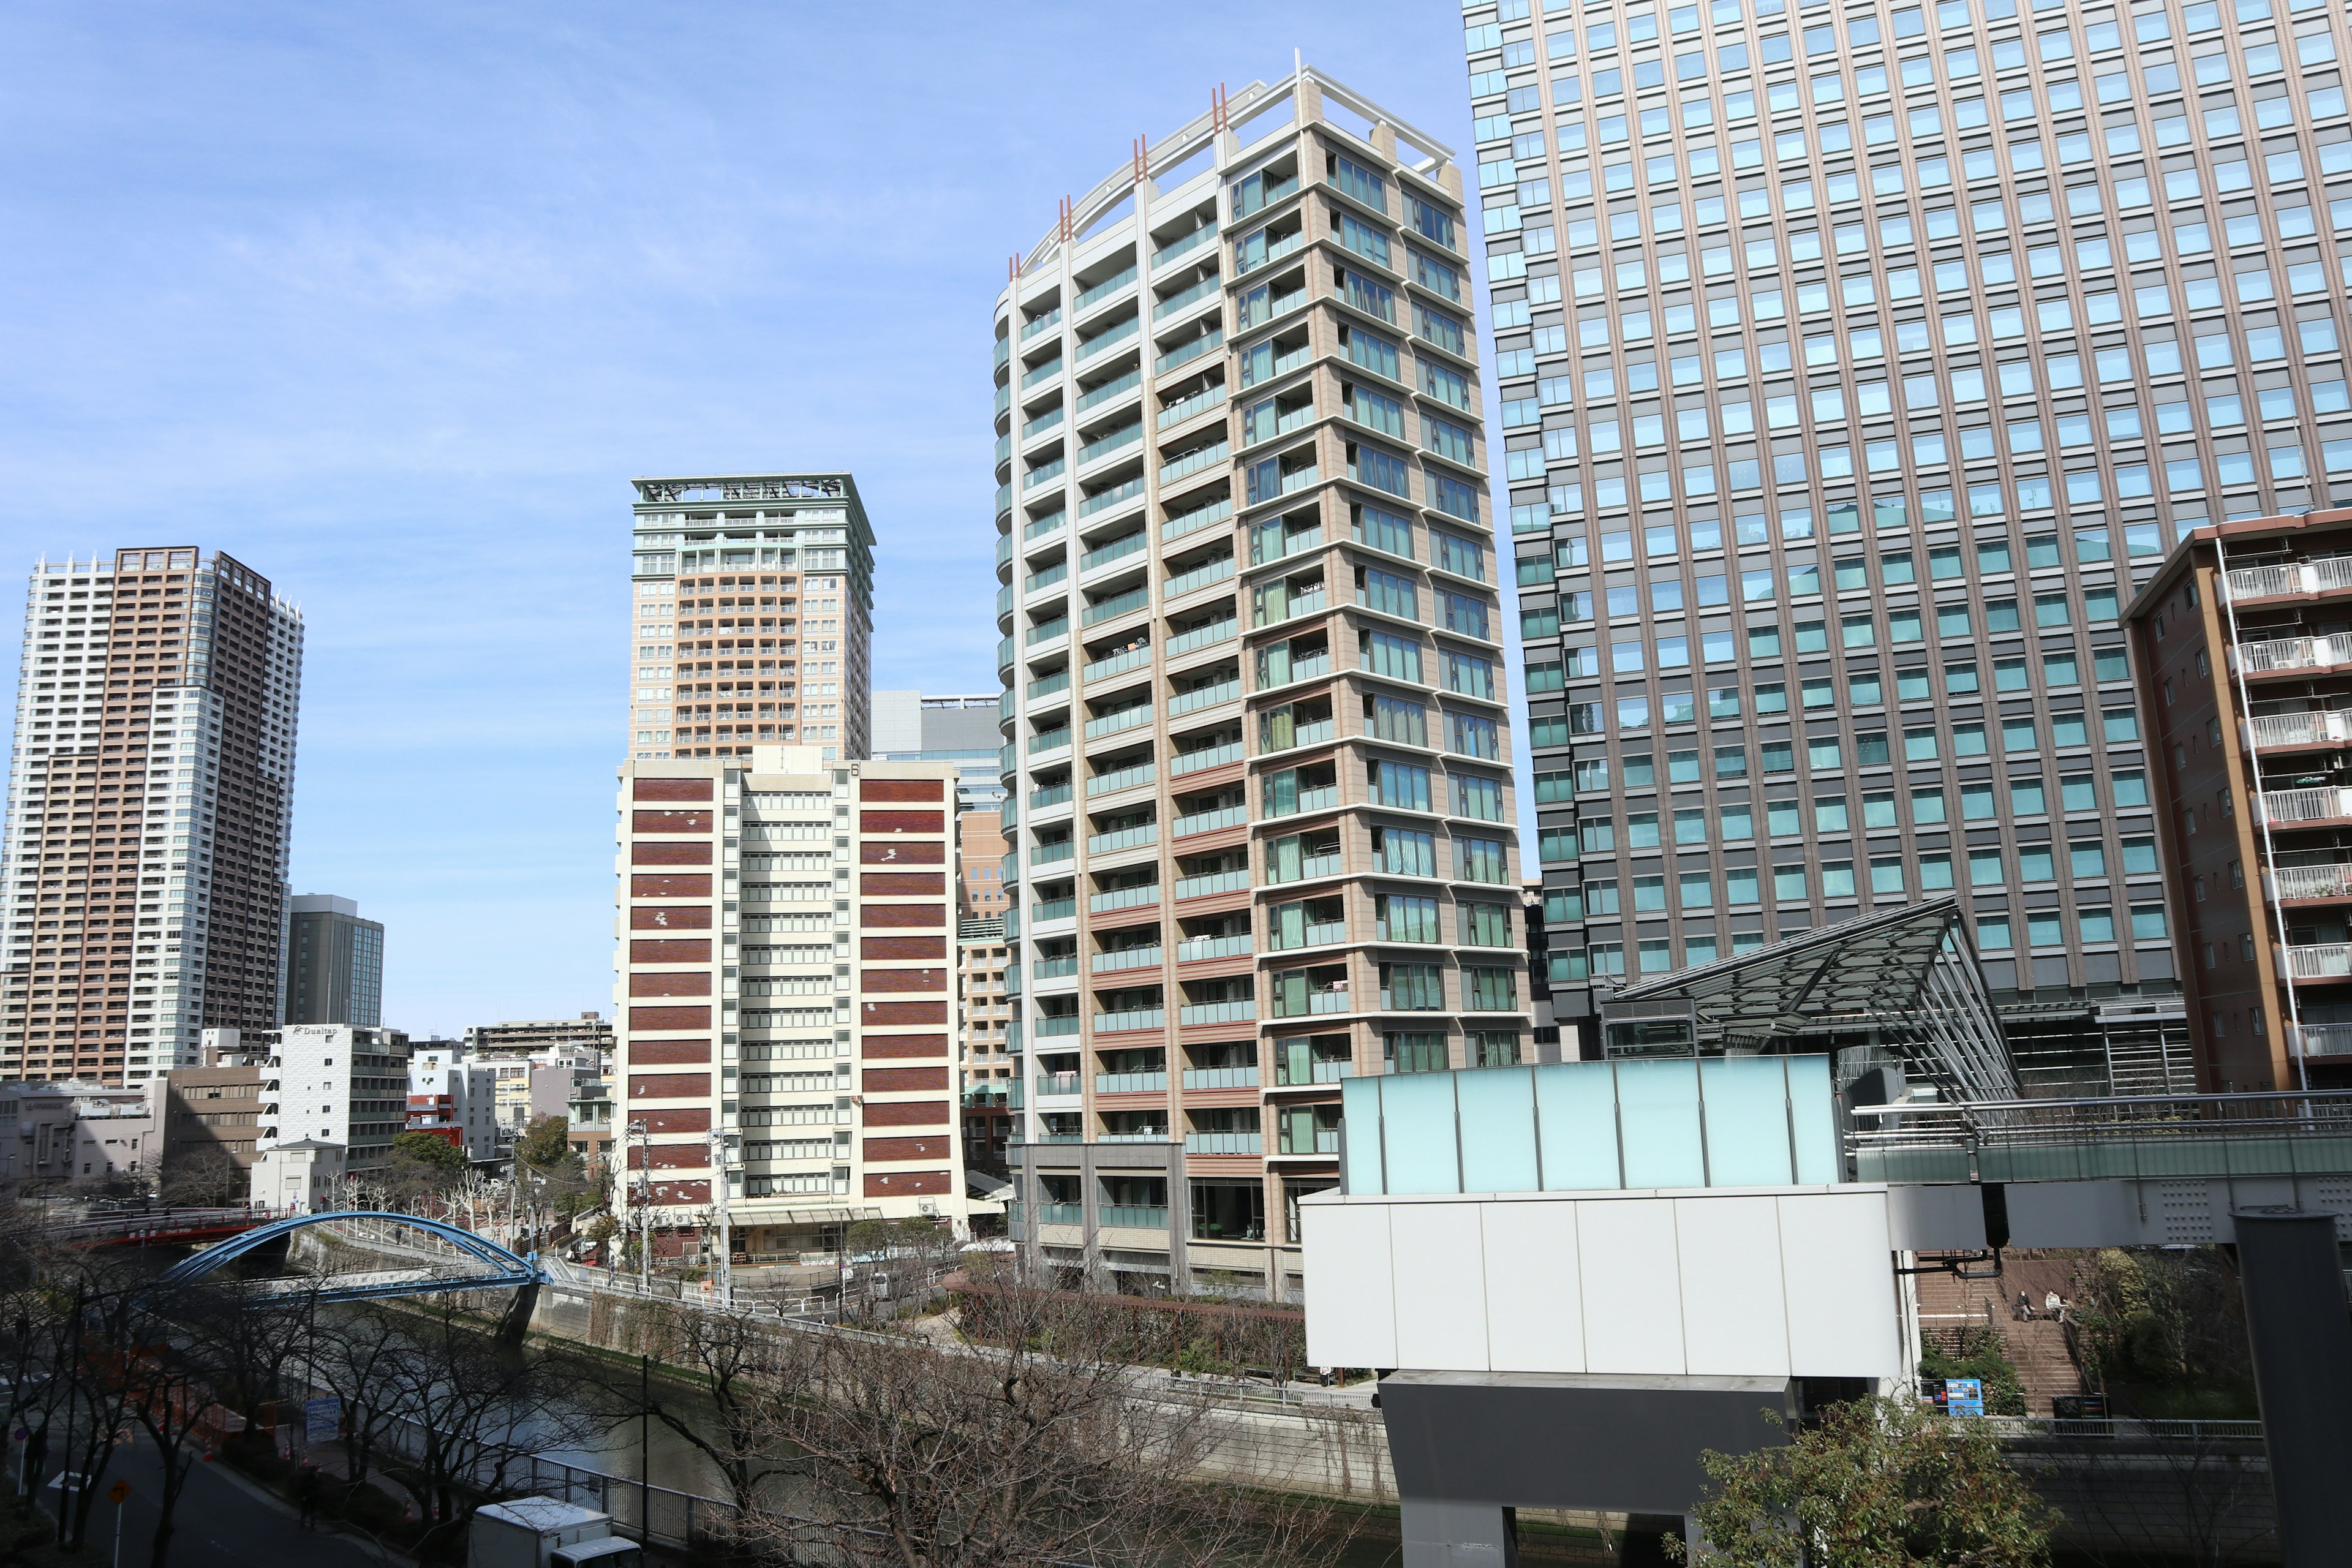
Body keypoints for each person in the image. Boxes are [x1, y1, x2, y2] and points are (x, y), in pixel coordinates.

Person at [296, 1463, 322, 1530]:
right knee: (310, 1511)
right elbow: (318, 1487)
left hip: (308, 1497)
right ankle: (310, 1524)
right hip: (310, 1497)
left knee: (306, 1511)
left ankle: (306, 1523)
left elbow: (301, 1487)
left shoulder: (308, 1478)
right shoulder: (312, 1479)